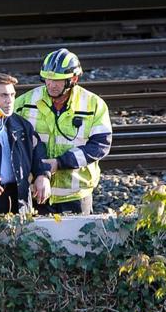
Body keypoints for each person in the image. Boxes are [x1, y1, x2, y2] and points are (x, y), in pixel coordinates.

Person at [14, 48, 112, 215]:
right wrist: (40, 172)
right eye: (47, 79)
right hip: (36, 191)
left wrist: (59, 163)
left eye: (57, 81)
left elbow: (100, 145)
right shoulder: (24, 102)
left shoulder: (94, 104)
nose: (51, 85)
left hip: (75, 194)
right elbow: (14, 143)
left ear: (73, 79)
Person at [0, 72, 51, 214]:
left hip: (18, 201)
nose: (10, 100)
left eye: (12, 95)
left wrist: (43, 175)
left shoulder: (21, 125)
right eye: (4, 95)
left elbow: (38, 152)